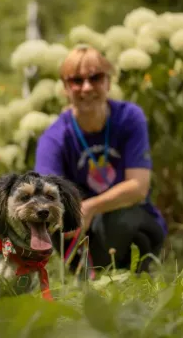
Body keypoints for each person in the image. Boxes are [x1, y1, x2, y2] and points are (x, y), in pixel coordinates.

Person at [34, 45, 168, 276]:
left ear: (108, 82)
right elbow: (44, 197)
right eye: (76, 81)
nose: (86, 88)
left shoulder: (129, 118)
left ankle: (134, 276)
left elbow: (138, 188)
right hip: (80, 230)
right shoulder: (54, 137)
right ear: (66, 88)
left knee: (122, 219)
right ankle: (87, 276)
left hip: (133, 219)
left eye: (95, 78)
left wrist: (92, 207)